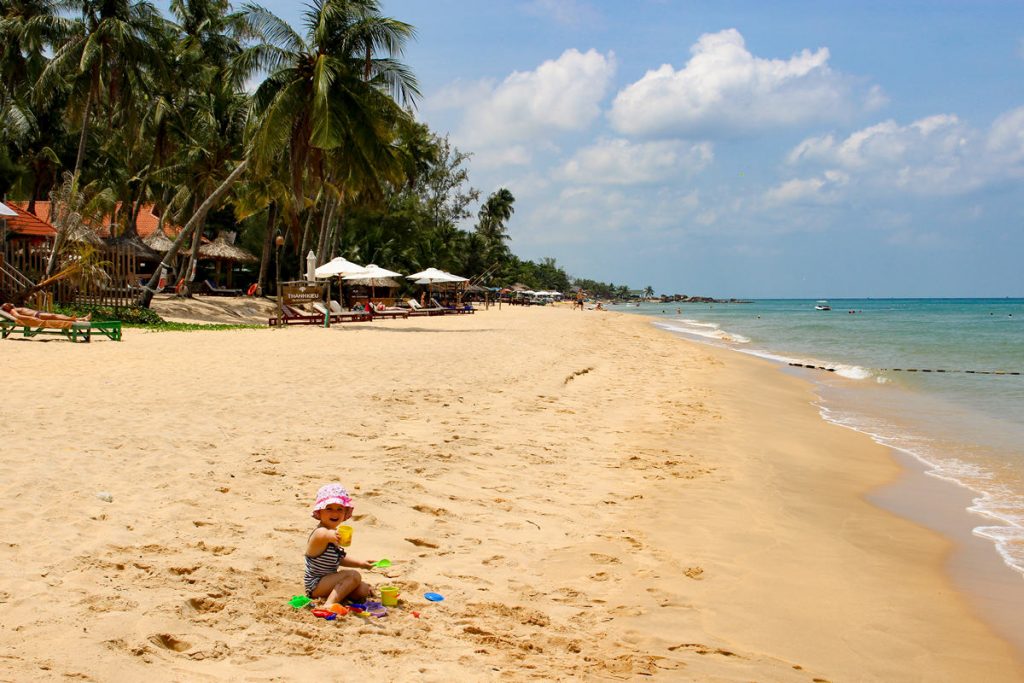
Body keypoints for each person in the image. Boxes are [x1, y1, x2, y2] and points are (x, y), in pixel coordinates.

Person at [304, 483, 375, 606]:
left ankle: (338, 596)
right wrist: (334, 536)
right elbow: (325, 535)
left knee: (362, 590)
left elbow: (339, 558)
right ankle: (329, 604)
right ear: (319, 512)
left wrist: (361, 563)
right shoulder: (321, 533)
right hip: (316, 584)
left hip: (329, 580)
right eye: (329, 508)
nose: (335, 513)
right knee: (353, 575)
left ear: (345, 513)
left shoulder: (331, 536)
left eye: (339, 509)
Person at [2, 302, 91, 322]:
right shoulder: (12, 311)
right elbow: (18, 317)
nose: (8, 303)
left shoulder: (14, 308)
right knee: (54, 316)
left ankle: (82, 319)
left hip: (38, 314)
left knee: (57, 315)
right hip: (37, 315)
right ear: (7, 308)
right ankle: (72, 319)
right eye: (6, 304)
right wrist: (31, 318)